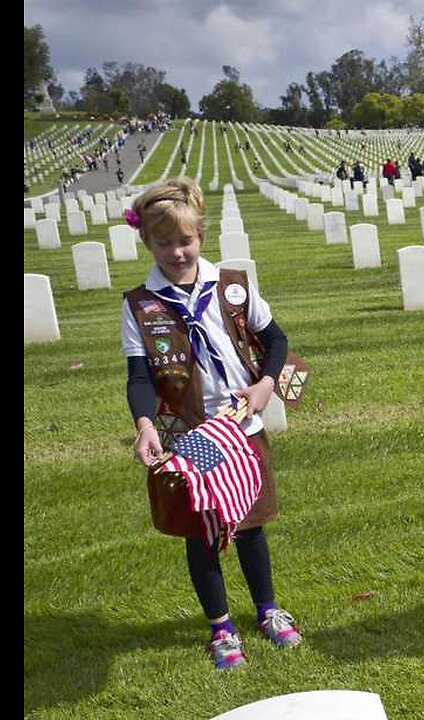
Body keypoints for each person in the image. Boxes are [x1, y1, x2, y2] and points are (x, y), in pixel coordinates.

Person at [121, 178, 302, 671]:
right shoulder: (141, 304)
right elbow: (139, 376)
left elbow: (277, 339)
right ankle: (222, 628)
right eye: (164, 243)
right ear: (148, 243)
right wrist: (144, 424)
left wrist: (266, 385)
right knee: (203, 532)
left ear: (201, 236)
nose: (176, 252)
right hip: (191, 435)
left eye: (185, 240)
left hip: (240, 425)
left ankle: (267, 610)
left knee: (250, 525)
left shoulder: (233, 286)